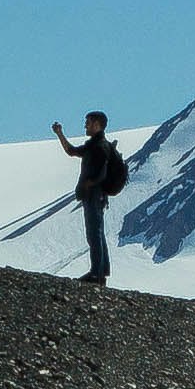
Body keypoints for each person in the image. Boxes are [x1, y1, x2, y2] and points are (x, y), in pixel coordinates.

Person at [52, 110, 132, 284]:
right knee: (97, 232)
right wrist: (60, 134)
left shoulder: (99, 147)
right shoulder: (96, 145)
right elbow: (72, 151)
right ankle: (101, 271)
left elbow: (100, 173)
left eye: (88, 122)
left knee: (94, 233)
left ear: (97, 124)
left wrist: (88, 184)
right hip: (97, 195)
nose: (85, 125)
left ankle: (96, 274)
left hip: (94, 195)